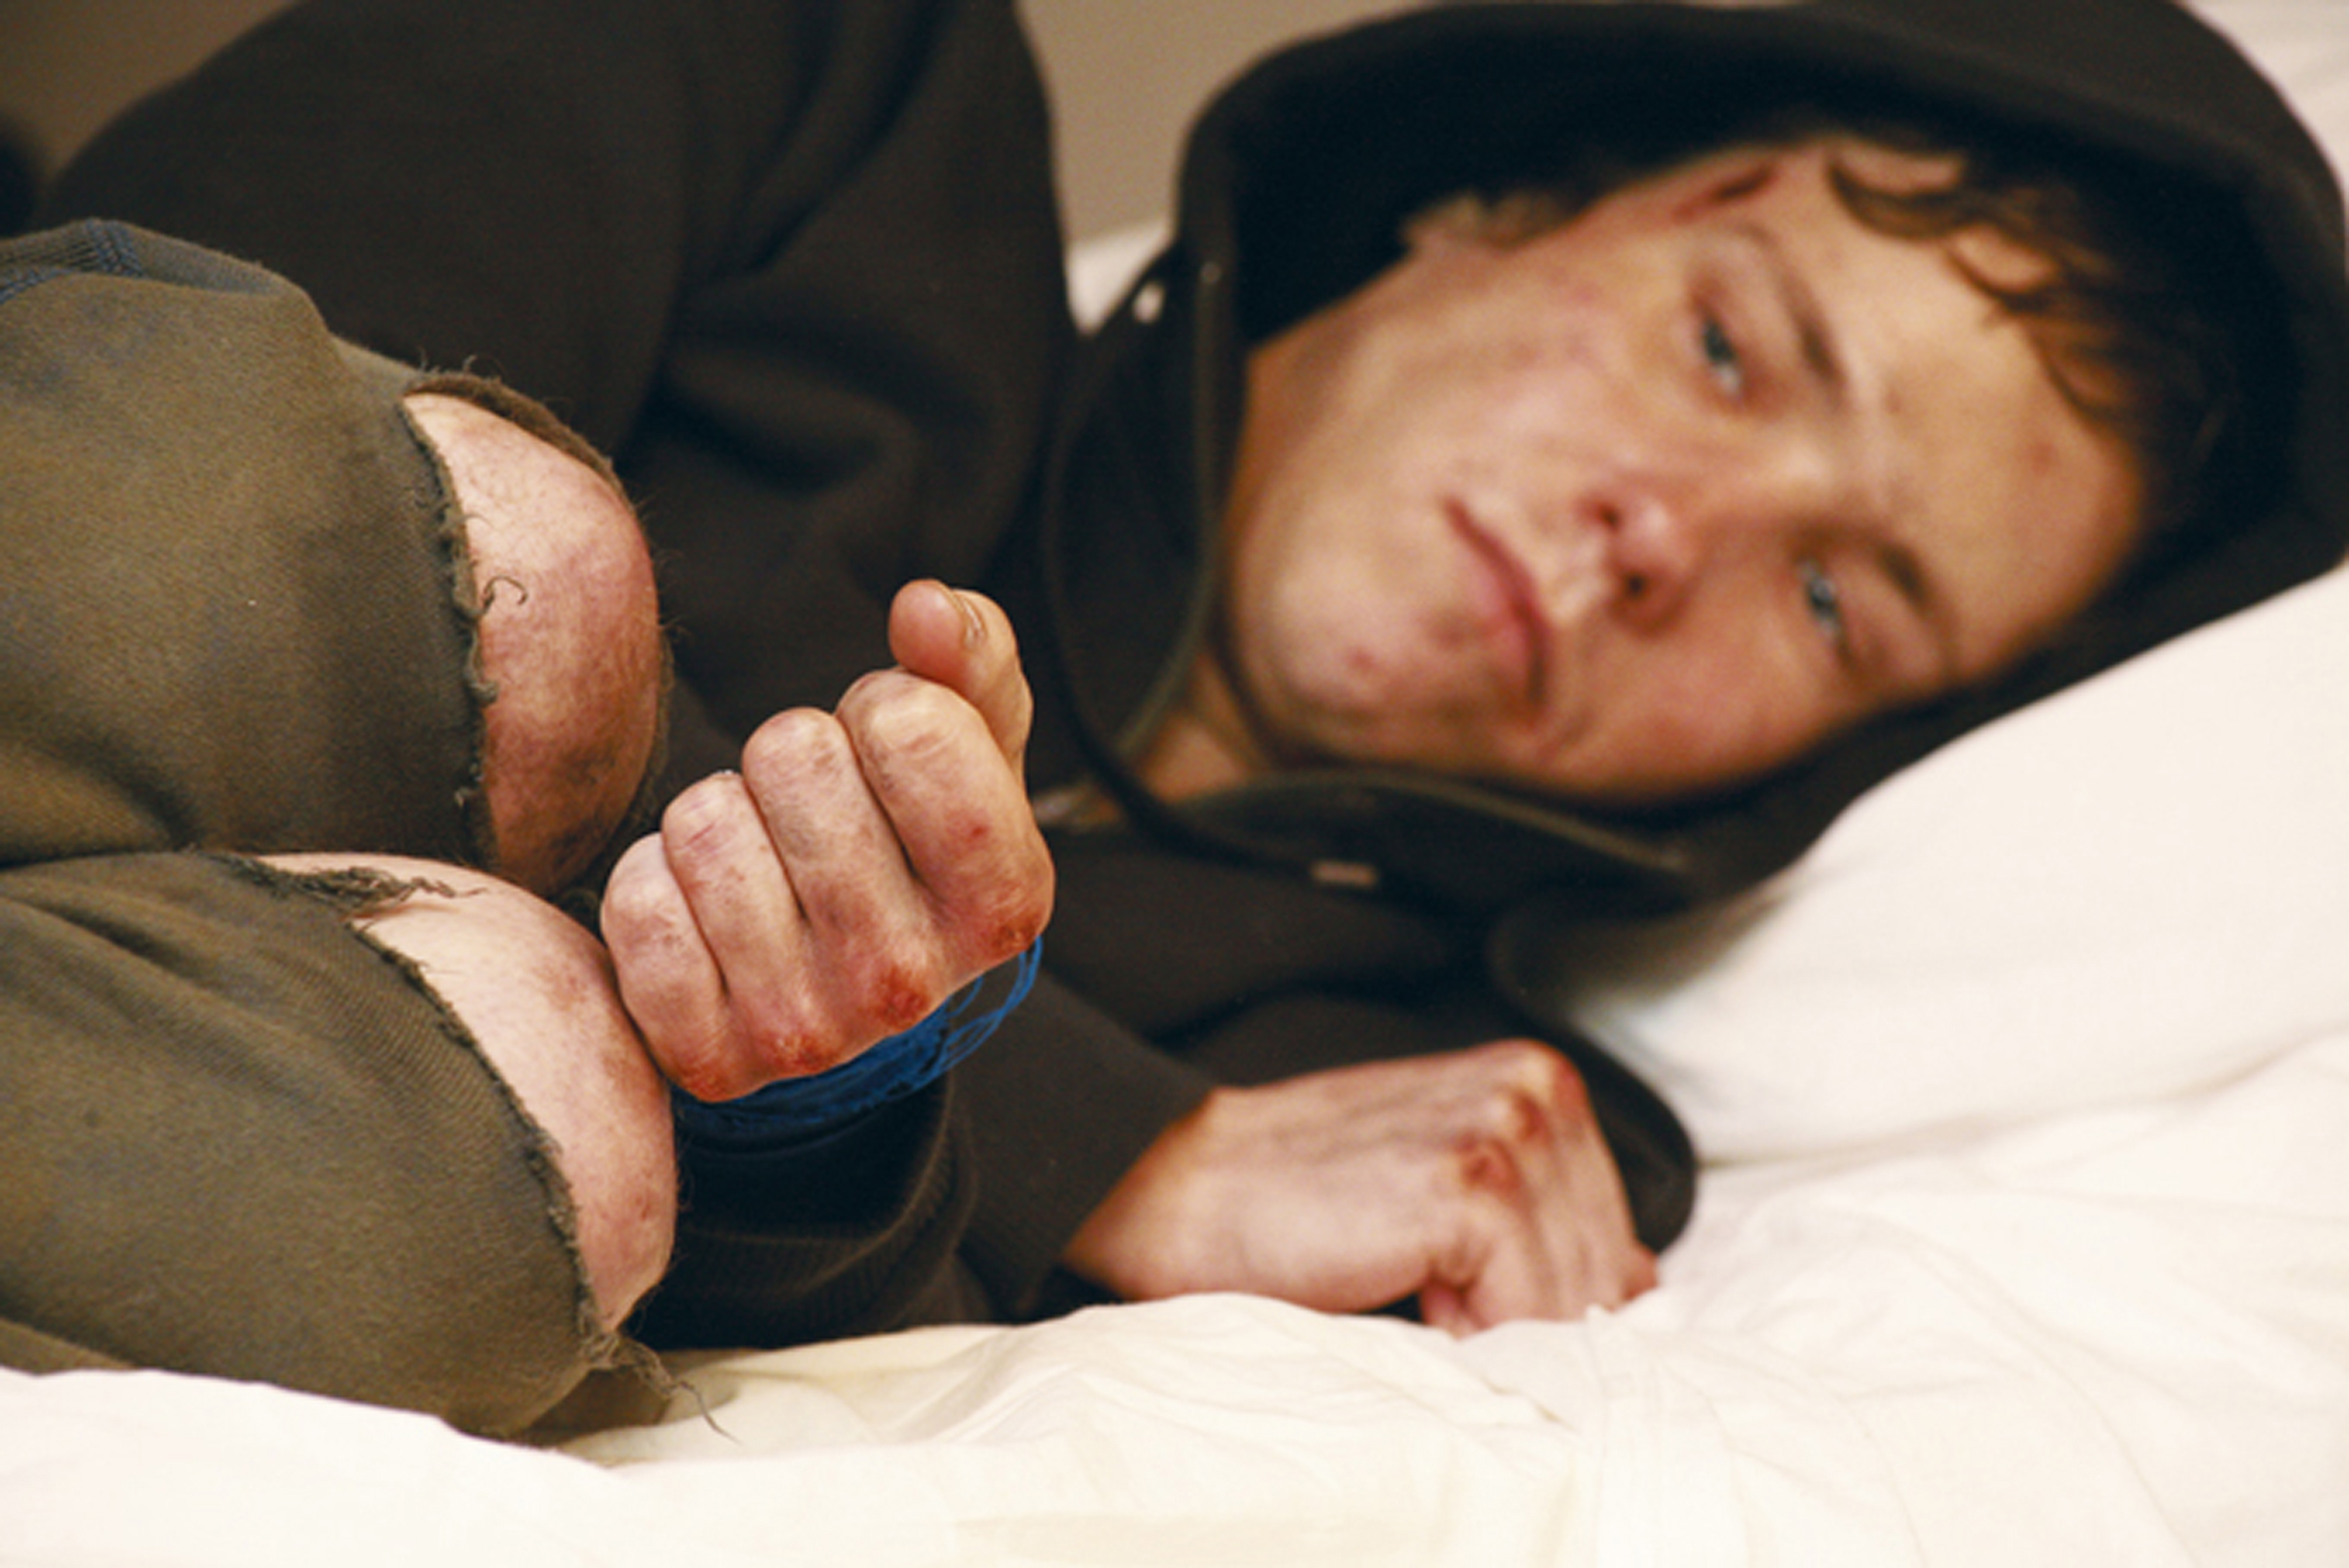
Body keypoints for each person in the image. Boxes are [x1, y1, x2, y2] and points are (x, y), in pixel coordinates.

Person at [21, 0, 2349, 1407]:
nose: (1671, 531)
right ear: (1495, 198)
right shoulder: (841, 78)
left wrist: (844, 1111)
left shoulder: (1428, 1132)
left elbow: (716, 1316)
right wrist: (1111, 1145)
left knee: (527, 1138)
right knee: (505, 571)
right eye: (1729, 348)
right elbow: (178, 387)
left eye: (1835, 597)